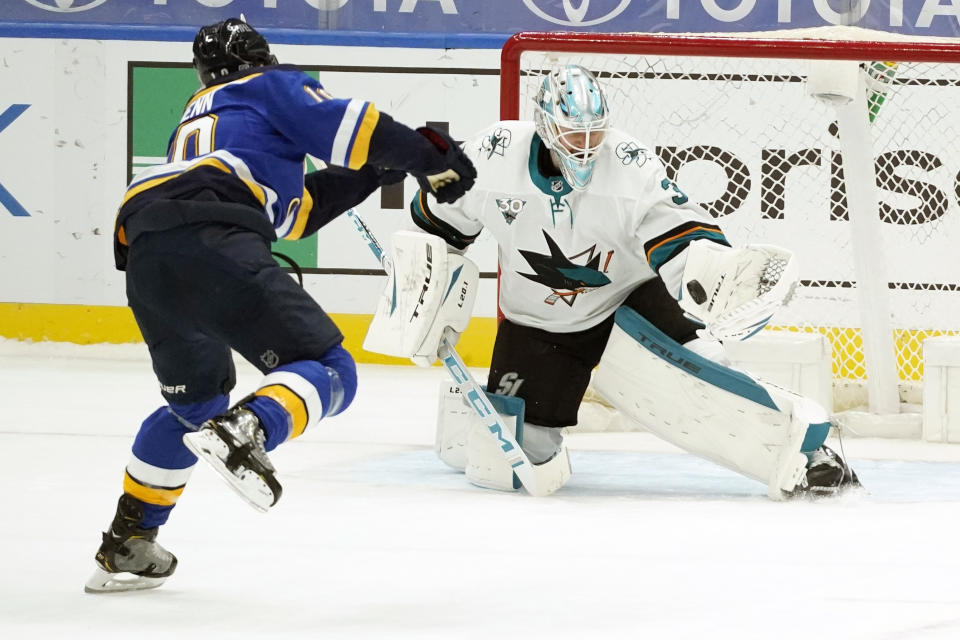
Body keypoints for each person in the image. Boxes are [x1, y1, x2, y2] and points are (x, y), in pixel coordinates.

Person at [85, 17, 476, 594]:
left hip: (146, 257)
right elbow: (355, 126)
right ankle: (249, 430)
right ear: (262, 58)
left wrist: (378, 172)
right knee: (329, 370)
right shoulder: (265, 87)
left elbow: (298, 213)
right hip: (212, 238)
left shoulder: (198, 124)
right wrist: (428, 157)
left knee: (193, 411)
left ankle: (128, 540)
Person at [378, 64, 859, 498]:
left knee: (703, 379)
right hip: (537, 325)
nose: (587, 146)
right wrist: (425, 295)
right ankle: (468, 428)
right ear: (545, 128)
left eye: (595, 134)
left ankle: (811, 448)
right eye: (573, 136)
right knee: (510, 459)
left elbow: (679, 234)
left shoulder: (629, 164)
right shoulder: (492, 153)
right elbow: (436, 229)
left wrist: (716, 276)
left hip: (626, 302)